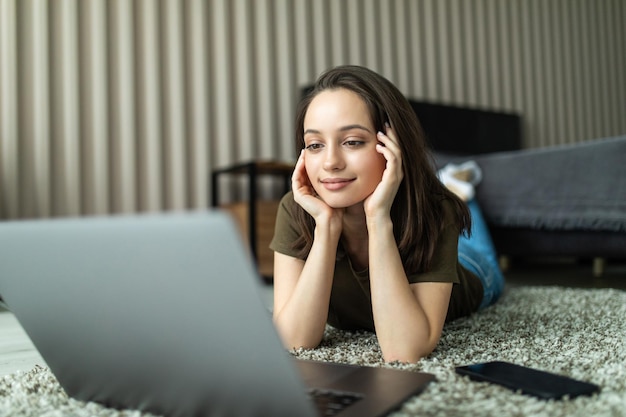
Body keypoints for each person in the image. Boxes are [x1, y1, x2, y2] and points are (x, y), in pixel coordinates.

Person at [270, 65, 504, 363]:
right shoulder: (297, 208)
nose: (330, 163)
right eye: (315, 145)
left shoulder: (435, 210)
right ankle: (456, 184)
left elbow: (404, 351)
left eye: (352, 142)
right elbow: (294, 340)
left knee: (474, 237)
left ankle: (462, 192)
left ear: (393, 145)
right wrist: (326, 228)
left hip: (472, 270)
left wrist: (378, 219)